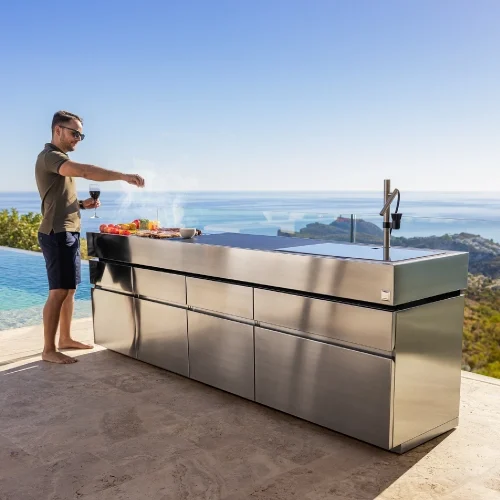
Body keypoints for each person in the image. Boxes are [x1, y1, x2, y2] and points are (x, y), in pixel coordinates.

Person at [35, 110, 145, 364]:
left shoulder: (58, 159)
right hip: (57, 232)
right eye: (74, 133)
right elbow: (84, 171)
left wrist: (82, 206)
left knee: (69, 290)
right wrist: (123, 176)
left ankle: (65, 338)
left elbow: (58, 199)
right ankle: (48, 349)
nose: (78, 139)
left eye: (81, 135)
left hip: (69, 230)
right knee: (58, 291)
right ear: (58, 130)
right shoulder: (50, 156)